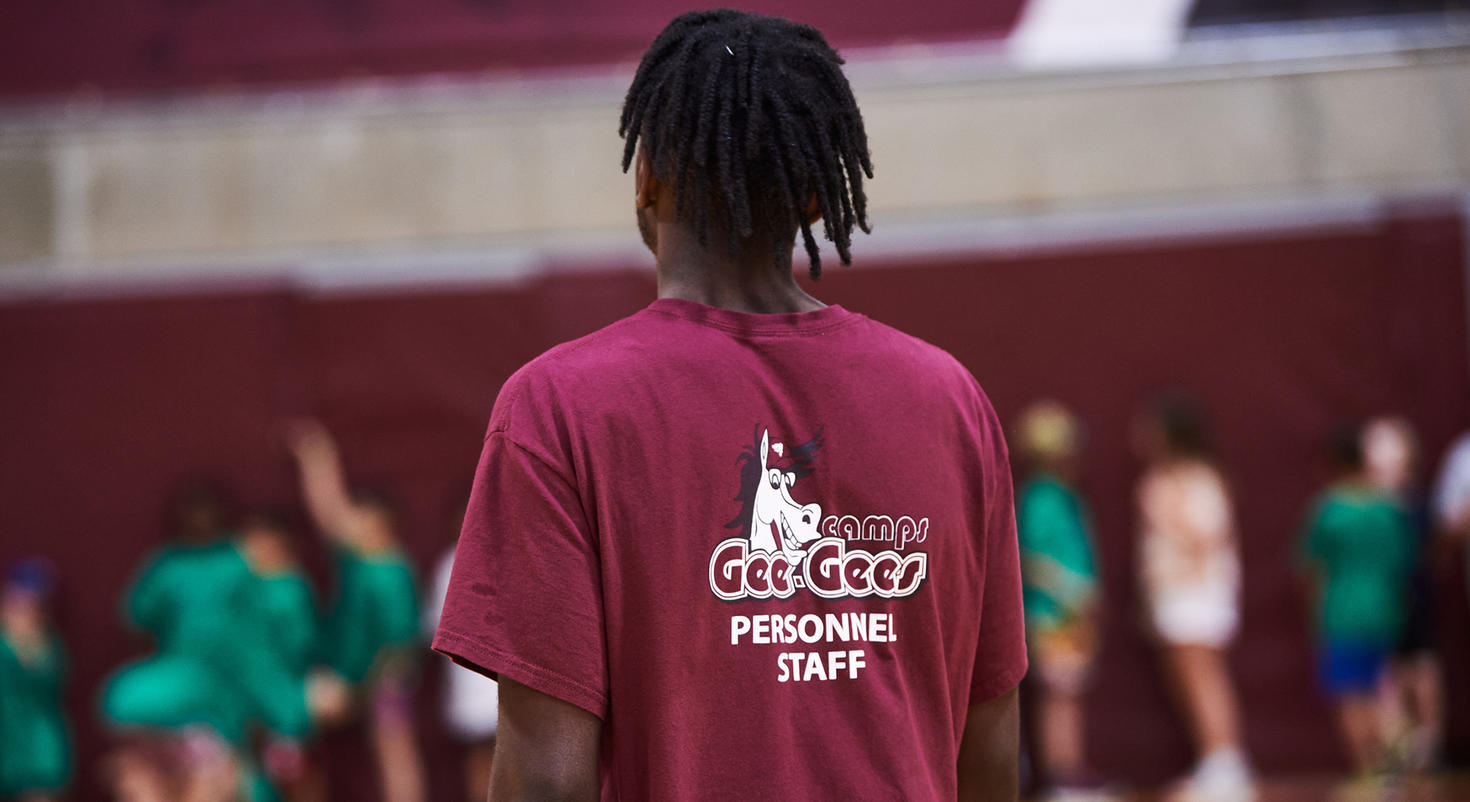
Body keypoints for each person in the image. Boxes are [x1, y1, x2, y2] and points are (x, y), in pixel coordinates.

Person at [432, 9, 1027, 801]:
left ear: (646, 175)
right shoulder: (949, 401)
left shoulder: (560, 408)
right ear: (815, 196)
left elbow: (547, 780)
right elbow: (989, 756)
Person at [283, 421, 424, 802]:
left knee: (394, 750)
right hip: (346, 673)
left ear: (379, 524)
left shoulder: (390, 572)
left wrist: (363, 688)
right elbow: (328, 511)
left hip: (384, 676)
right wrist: (318, 458)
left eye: (357, 517)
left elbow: (400, 640)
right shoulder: (356, 561)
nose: (347, 523)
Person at [1133, 394, 1252, 801]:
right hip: (1172, 594)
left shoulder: (1198, 479)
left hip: (1197, 593)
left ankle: (1227, 764)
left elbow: (1205, 534)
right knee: (1187, 680)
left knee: (1204, 677)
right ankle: (1213, 759)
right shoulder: (1162, 478)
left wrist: (1166, 507)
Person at [1299, 426, 1412, 775]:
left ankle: (1369, 770)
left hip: (1342, 613)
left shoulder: (1329, 511)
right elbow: (1401, 564)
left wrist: (1315, 612)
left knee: (1350, 695)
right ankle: (1391, 764)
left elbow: (1313, 568)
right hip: (1383, 611)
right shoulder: (1387, 510)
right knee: (1381, 689)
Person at [1014, 402, 1103, 801]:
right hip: (1053, 613)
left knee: (1068, 693)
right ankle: (1062, 774)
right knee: (1059, 695)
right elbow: (1031, 558)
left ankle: (1070, 770)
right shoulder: (1040, 498)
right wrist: (1071, 591)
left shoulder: (1062, 496)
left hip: (1069, 614)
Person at [1362, 417, 1442, 770]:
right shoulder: (1365, 501)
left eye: (1388, 443)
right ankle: (1395, 747)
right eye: (1373, 443)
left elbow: (1424, 546)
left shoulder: (1414, 501)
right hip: (1376, 601)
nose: (1378, 451)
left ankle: (1428, 741)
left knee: (1419, 665)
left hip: (1412, 595)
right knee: (1385, 671)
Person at [423, 502, 499, 802]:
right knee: (485, 759)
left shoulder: (452, 564)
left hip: (488, 682)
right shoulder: (450, 565)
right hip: (478, 683)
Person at [0, 559, 71, 802]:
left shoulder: (49, 646)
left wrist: (27, 645)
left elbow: (47, 682)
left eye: (33, 603)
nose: (24, 609)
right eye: (17, 600)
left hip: (38, 751)